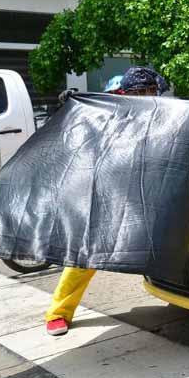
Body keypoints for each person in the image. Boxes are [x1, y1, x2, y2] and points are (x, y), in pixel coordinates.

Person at [45, 66, 169, 336]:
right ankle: (59, 312)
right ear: (127, 92)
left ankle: (186, 297)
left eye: (149, 91)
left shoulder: (163, 114)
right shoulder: (110, 111)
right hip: (106, 192)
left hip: (145, 192)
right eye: (140, 91)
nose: (146, 96)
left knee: (171, 243)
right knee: (84, 255)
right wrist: (70, 110)